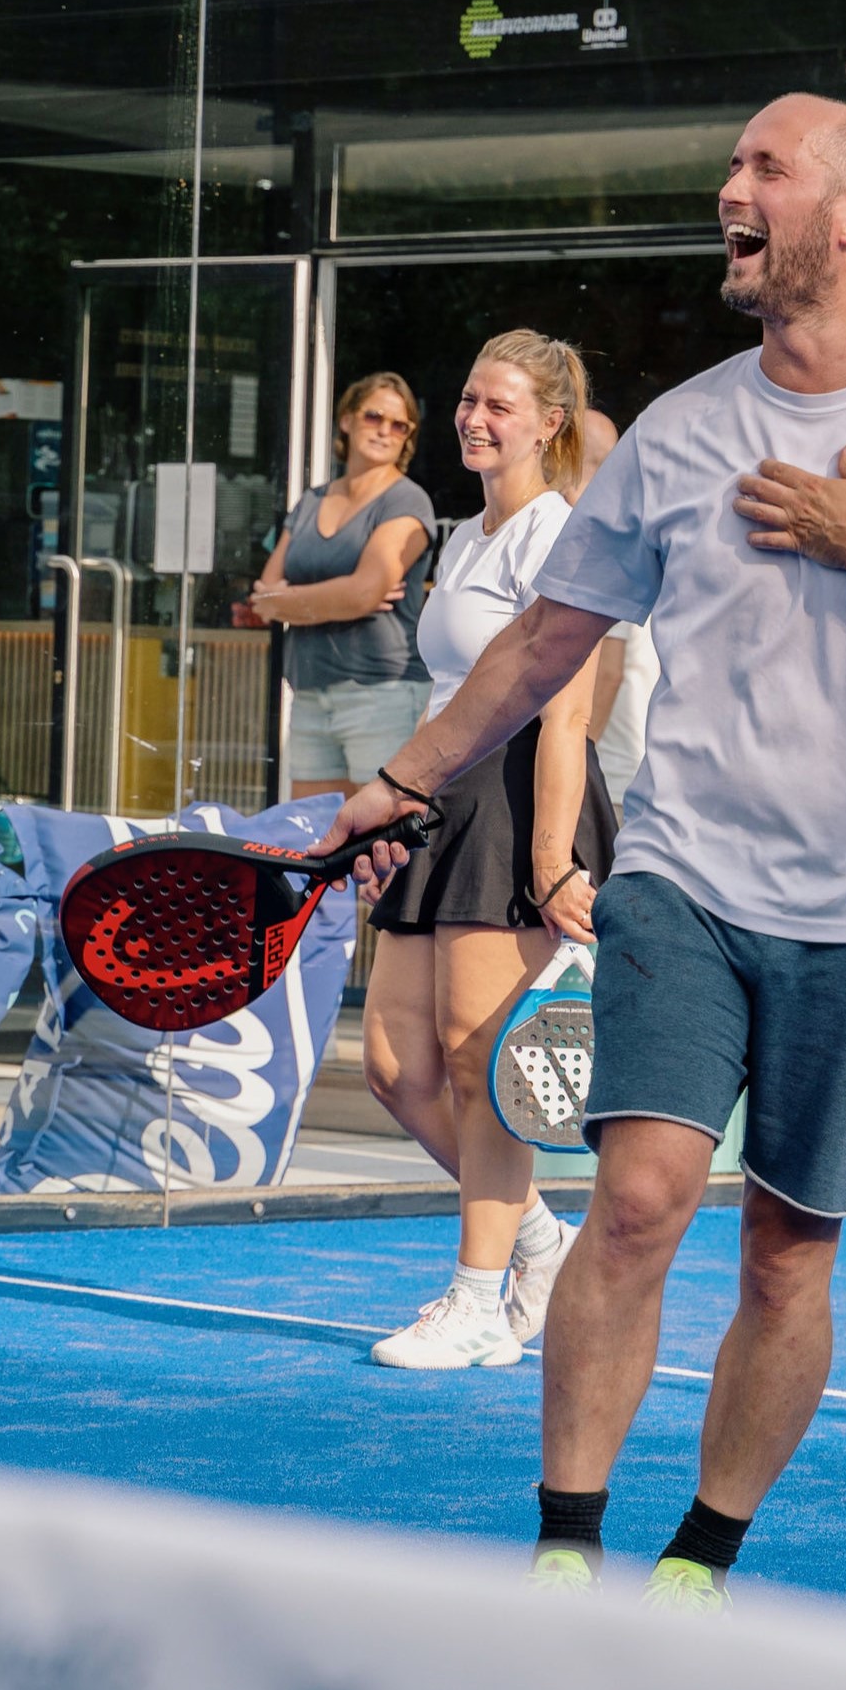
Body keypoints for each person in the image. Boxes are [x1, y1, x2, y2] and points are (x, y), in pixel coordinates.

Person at [322, 93, 846, 1604]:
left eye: (764, 168)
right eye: (733, 163)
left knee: (790, 1255)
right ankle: (565, 1547)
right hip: (687, 881)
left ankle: (703, 1557)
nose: (728, 186)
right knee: (641, 1195)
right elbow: (549, 645)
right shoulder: (681, 432)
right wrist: (402, 783)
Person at [362, 332, 617, 1370]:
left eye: (498, 405)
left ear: (549, 422)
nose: (473, 418)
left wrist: (553, 857)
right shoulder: (466, 535)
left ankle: (476, 1301)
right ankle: (543, 1239)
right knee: (391, 1067)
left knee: (479, 1061)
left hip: (517, 804)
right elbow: (447, 693)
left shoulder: (564, 536)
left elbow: (564, 717)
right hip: (444, 800)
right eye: (466, 399)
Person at [240, 373, 435, 796]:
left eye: (399, 425)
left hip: (382, 693)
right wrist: (343, 596)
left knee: (380, 843)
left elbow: (363, 591)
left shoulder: (407, 500)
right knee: (311, 837)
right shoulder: (311, 500)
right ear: (346, 420)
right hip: (310, 692)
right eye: (374, 416)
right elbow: (264, 598)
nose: (385, 430)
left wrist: (301, 599)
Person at [571, 408, 662, 799]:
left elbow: (608, 673)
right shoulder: (623, 533)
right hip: (622, 769)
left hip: (607, 778)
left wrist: (571, 775)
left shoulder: (602, 543)